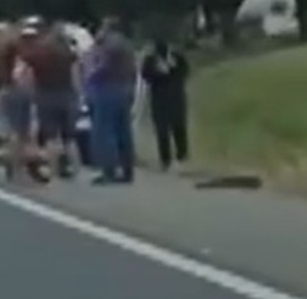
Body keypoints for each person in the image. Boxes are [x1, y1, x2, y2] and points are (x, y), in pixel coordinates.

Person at [0, 19, 47, 184]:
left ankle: (13, 169)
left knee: (12, 134)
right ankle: (20, 170)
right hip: (20, 91)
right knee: (22, 133)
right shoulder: (21, 50)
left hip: (5, 90)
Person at [82, 16, 138, 185]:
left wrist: (91, 76)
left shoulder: (108, 44)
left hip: (107, 89)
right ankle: (128, 169)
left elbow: (103, 65)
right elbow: (134, 69)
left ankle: (109, 170)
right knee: (124, 131)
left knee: (105, 132)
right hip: (125, 88)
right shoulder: (127, 44)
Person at [28, 21, 80, 180]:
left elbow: (31, 72)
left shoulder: (40, 51)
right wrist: (77, 93)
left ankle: (54, 170)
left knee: (51, 137)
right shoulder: (67, 52)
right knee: (69, 138)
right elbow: (75, 73)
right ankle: (76, 171)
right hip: (67, 95)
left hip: (46, 95)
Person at [140, 38, 190, 171]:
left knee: (179, 126)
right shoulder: (151, 60)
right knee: (162, 129)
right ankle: (165, 159)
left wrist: (172, 69)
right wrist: (159, 73)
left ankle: (182, 155)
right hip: (159, 97)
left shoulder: (177, 57)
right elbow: (145, 75)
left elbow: (185, 72)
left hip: (176, 95)